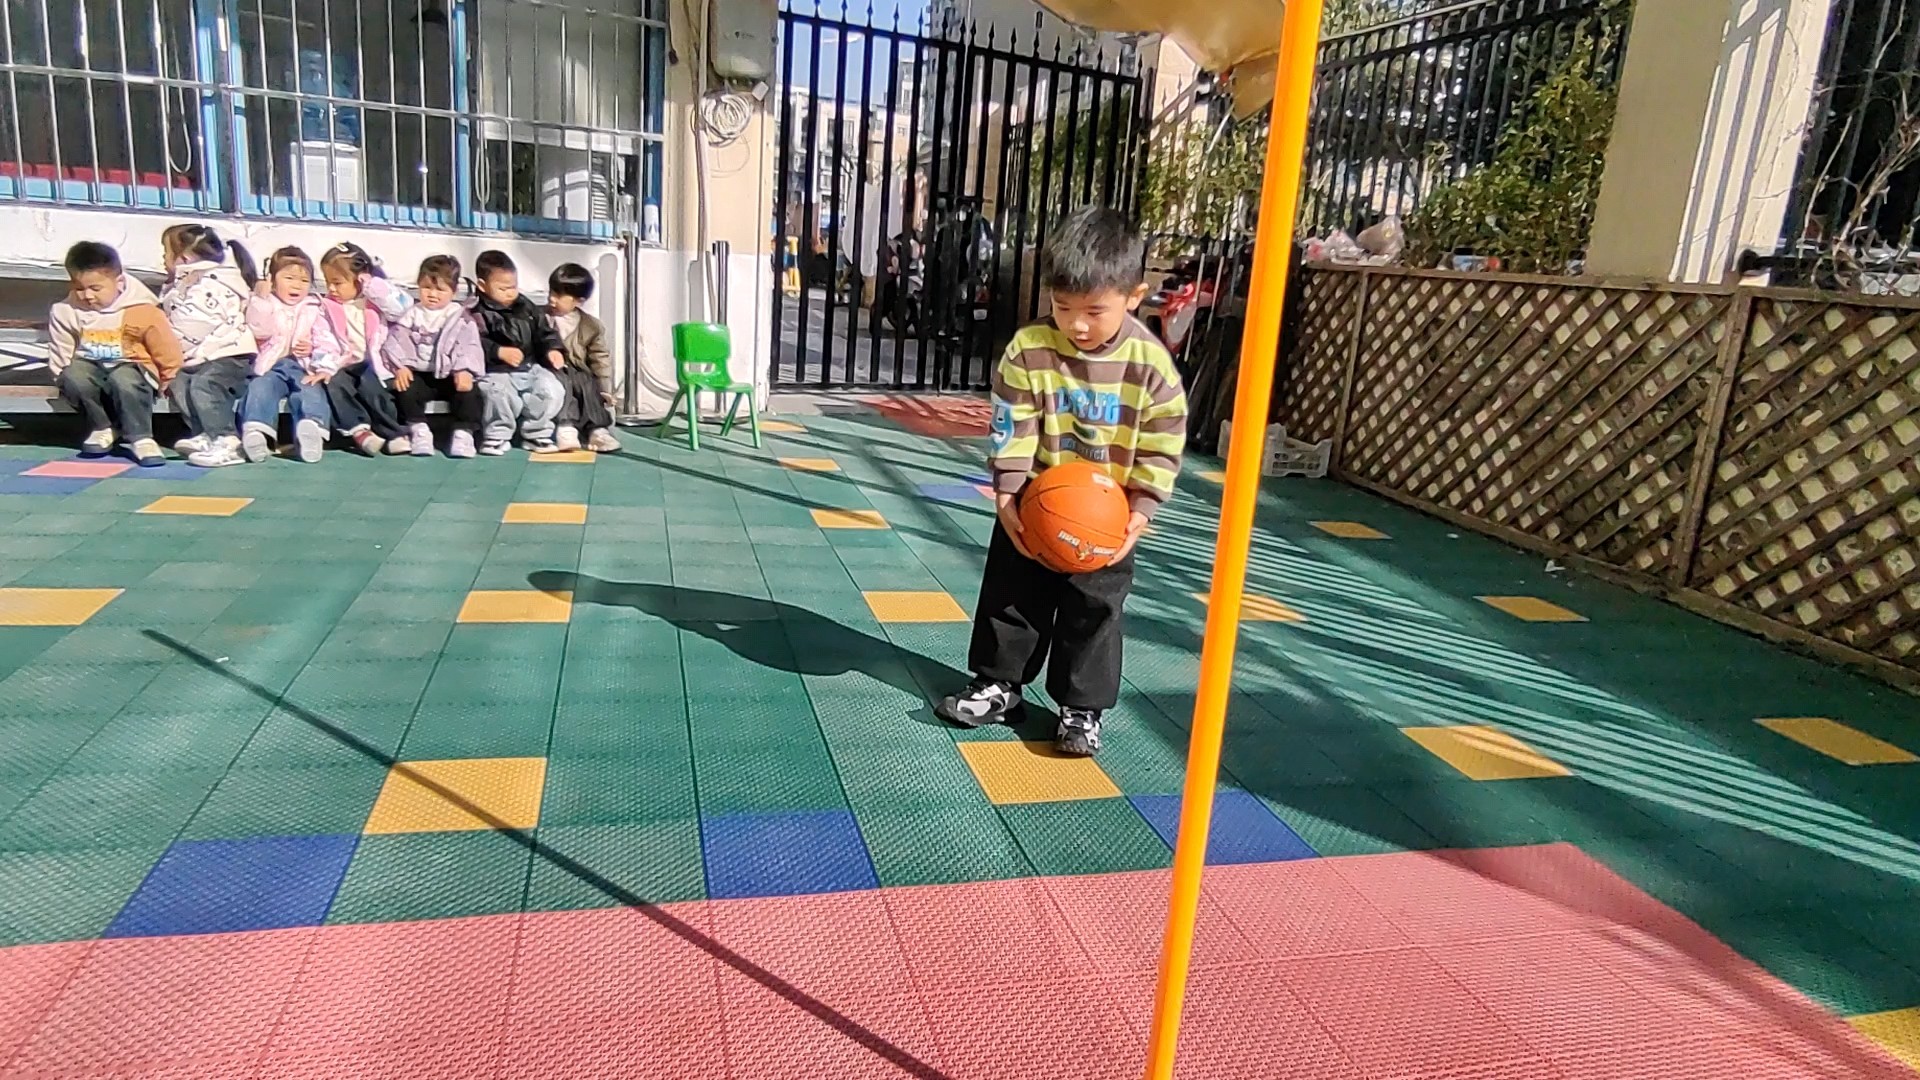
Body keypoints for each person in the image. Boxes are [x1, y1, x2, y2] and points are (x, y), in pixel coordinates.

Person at [933, 206, 1188, 757]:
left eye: (1095, 310)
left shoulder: (1151, 366)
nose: (1077, 324)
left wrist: (1142, 509)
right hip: (1037, 495)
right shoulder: (1030, 349)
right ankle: (999, 684)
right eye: (1063, 306)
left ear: (1134, 296)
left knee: (1094, 608)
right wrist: (1007, 491)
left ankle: (1081, 708)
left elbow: (1162, 440)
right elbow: (1012, 421)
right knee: (1011, 592)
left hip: (1108, 512)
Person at [47, 241, 183, 467]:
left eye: (95, 289)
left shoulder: (143, 309)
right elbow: (61, 349)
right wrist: (62, 378)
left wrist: (169, 379)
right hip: (90, 366)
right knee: (74, 374)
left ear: (119, 282)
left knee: (124, 379)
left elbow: (166, 348)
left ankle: (141, 438)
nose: (87, 295)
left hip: (133, 366)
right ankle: (102, 427)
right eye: (79, 288)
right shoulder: (65, 310)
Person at [232, 247, 341, 464]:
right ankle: (256, 432)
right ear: (272, 280)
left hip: (303, 366)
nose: (297, 285)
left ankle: (312, 429)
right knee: (261, 387)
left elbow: (326, 338)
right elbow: (258, 330)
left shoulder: (313, 307)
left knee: (309, 389)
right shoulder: (265, 303)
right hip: (270, 365)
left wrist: (319, 359)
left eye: (304, 280)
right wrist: (261, 299)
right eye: (289, 278)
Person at [157, 224, 257, 461]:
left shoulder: (209, 284)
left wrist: (166, 346)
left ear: (184, 258)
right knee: (179, 381)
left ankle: (227, 440)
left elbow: (192, 326)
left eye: (166, 252)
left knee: (205, 385)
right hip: (201, 354)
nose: (163, 258)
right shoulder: (183, 282)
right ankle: (204, 433)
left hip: (229, 354)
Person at [385, 255, 485, 458]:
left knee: (469, 393)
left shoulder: (459, 316)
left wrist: (464, 369)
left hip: (450, 374)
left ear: (453, 291)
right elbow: (397, 340)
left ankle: (463, 434)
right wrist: (401, 365)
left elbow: (468, 345)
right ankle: (419, 430)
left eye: (440, 290)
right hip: (421, 372)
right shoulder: (412, 314)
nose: (432, 294)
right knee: (405, 388)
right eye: (426, 288)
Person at [319, 242, 414, 455]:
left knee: (371, 386)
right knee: (334, 383)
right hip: (345, 363)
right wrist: (326, 365)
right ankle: (360, 431)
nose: (331, 288)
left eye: (337, 282)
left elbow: (403, 308)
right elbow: (324, 338)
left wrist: (373, 286)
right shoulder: (327, 306)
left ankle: (394, 433)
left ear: (360, 278)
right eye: (328, 282)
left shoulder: (375, 302)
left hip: (377, 363)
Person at [468, 250, 564, 456]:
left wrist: (552, 349)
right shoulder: (475, 312)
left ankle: (537, 433)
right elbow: (470, 342)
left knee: (551, 389)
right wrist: (498, 351)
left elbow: (544, 331)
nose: (510, 293)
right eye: (503, 288)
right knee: (497, 393)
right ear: (482, 285)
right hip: (494, 370)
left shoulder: (525, 306)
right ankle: (497, 435)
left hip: (528, 366)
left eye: (514, 286)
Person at [545, 263, 621, 453]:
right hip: (549, 368)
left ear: (579, 301)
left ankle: (598, 430)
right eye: (551, 292)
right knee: (563, 381)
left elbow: (600, 358)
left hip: (578, 370)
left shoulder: (591, 326)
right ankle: (566, 426)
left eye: (559, 295)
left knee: (586, 381)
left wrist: (605, 389)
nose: (552, 298)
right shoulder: (540, 317)